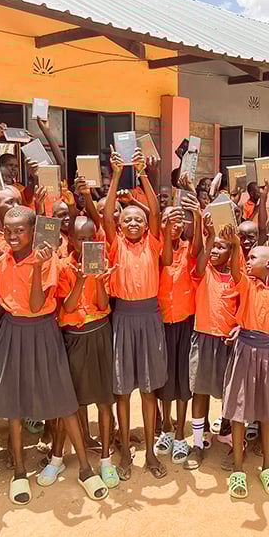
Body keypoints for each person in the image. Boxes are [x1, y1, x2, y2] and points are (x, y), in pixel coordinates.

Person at [0, 206, 107, 505]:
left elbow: (37, 305)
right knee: (13, 404)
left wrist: (36, 268)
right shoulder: (1, 263)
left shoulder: (49, 262)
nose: (13, 236)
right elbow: (4, 299)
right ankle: (19, 471)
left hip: (42, 331)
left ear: (33, 232)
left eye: (20, 230)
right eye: (8, 230)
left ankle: (86, 470)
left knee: (64, 400)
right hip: (14, 331)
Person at [104, 147, 175, 481]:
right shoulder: (114, 242)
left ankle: (149, 452)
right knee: (121, 390)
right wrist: (117, 173)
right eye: (126, 219)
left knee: (148, 390)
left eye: (139, 219)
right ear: (119, 225)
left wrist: (143, 173)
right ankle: (124, 454)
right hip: (122, 317)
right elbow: (105, 217)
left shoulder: (153, 242)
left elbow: (157, 211)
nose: (132, 223)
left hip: (149, 317)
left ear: (148, 225)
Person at [221, 226, 269, 499]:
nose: (248, 261)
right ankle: (238, 469)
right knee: (240, 411)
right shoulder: (247, 284)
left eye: (253, 257)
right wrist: (235, 246)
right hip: (245, 349)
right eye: (248, 256)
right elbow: (236, 269)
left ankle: (267, 466)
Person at [54, 216, 118, 489]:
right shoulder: (63, 266)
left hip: (100, 333)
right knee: (74, 401)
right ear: (70, 238)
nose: (85, 244)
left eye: (90, 238)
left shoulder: (100, 263)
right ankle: (59, 456)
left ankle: (105, 459)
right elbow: (67, 309)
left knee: (105, 400)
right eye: (80, 239)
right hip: (75, 337)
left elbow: (103, 304)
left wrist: (100, 281)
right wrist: (80, 280)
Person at [184, 214, 239, 470]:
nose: (216, 251)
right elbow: (200, 261)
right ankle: (197, 443)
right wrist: (207, 235)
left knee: (229, 393)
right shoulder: (203, 271)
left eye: (222, 246)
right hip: (204, 338)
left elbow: (245, 307)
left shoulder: (238, 277)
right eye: (213, 245)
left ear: (232, 251)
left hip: (228, 343)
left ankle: (226, 429)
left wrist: (239, 327)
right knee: (201, 391)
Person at [155, 196, 201, 465]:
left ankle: (181, 433)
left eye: (178, 221)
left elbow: (200, 252)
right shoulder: (157, 249)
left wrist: (196, 215)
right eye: (169, 221)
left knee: (183, 379)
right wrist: (162, 232)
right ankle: (166, 428)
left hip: (184, 322)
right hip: (161, 322)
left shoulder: (189, 250)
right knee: (165, 378)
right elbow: (164, 261)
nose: (174, 226)